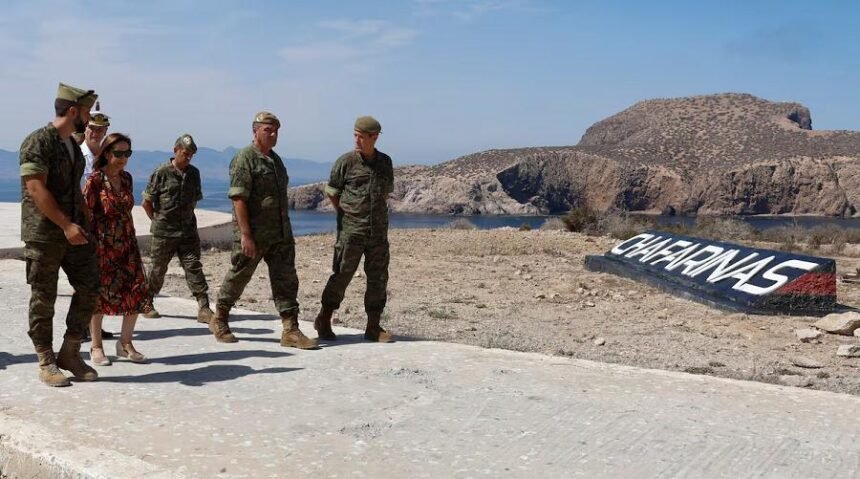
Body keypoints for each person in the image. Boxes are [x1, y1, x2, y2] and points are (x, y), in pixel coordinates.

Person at [208, 112, 316, 349]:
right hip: (254, 233)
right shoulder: (245, 159)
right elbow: (239, 199)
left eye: (276, 130)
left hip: (279, 233)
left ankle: (291, 330)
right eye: (268, 130)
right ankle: (220, 318)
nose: (273, 134)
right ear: (255, 130)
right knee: (239, 275)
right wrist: (246, 235)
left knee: (286, 280)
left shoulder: (276, 161)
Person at [20, 82, 100, 387]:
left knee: (91, 287)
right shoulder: (39, 141)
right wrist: (65, 225)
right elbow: (36, 188)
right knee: (44, 297)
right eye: (86, 111)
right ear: (72, 111)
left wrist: (84, 220)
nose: (89, 117)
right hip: (45, 234)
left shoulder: (72, 147)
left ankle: (69, 351)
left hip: (74, 231)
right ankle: (46, 359)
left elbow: (74, 189)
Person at [313, 116, 395, 343]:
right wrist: (346, 214)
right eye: (355, 135)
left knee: (378, 278)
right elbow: (332, 192)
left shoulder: (385, 162)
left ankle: (373, 326)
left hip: (378, 232)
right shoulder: (346, 162)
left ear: (374, 137)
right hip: (351, 231)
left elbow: (385, 192)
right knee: (342, 275)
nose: (357, 140)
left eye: (362, 136)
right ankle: (324, 318)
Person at [83, 133, 149, 365]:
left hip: (127, 244)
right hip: (102, 246)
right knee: (99, 296)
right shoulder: (95, 181)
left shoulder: (127, 179)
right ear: (107, 153)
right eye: (118, 153)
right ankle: (96, 346)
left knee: (135, 291)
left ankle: (125, 343)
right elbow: (86, 214)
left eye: (127, 153)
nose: (123, 158)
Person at [141, 134, 214, 323]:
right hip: (164, 231)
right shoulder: (161, 173)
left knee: (193, 266)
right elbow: (147, 202)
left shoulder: (194, 174)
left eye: (191, 154)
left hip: (188, 231)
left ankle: (204, 306)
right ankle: (147, 301)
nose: (188, 157)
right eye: (185, 153)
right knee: (157, 268)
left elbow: (194, 200)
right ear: (176, 150)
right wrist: (158, 221)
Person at [81, 104, 109, 178]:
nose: (95, 133)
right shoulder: (77, 155)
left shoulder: (108, 157)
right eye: (92, 128)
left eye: (100, 129)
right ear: (84, 128)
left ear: (105, 131)